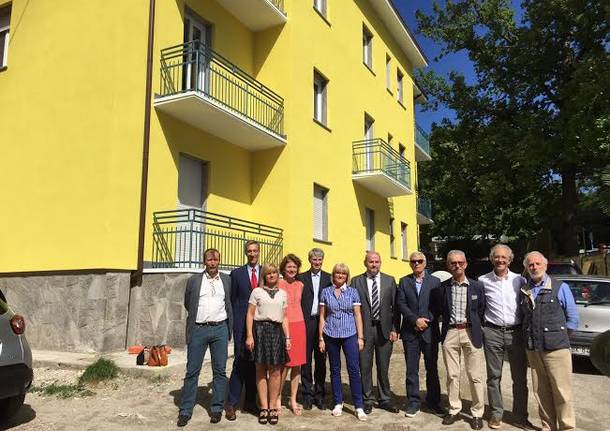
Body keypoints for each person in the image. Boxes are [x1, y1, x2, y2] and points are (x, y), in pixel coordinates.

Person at [520, 251, 579, 431]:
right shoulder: (525, 289)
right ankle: (548, 427)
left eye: (538, 264)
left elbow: (573, 319)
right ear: (526, 268)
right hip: (534, 349)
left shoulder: (560, 287)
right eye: (530, 265)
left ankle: (567, 427)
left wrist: (559, 338)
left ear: (545, 266)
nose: (534, 267)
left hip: (557, 349)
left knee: (562, 391)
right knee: (541, 391)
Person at [479, 245, 535, 430]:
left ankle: (520, 417)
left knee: (519, 379)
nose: (500, 260)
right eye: (497, 257)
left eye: (504, 257)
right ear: (491, 259)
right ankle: (496, 414)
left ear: (510, 260)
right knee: (493, 377)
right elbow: (479, 306)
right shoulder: (483, 281)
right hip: (492, 332)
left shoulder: (519, 280)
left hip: (515, 333)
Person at [177, 248, 233, 427]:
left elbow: (228, 302)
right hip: (198, 329)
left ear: (219, 261)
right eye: (209, 260)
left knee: (220, 371)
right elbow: (188, 303)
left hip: (220, 329)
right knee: (192, 371)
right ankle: (185, 410)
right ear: (204, 262)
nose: (212, 263)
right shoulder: (194, 281)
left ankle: (216, 408)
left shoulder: (227, 280)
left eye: (215, 259)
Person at [436, 250, 486, 430]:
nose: (457, 265)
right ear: (448, 265)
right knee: (452, 375)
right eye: (453, 263)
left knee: (475, 375)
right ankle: (454, 409)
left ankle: (477, 413)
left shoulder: (477, 286)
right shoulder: (443, 287)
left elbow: (481, 309)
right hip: (450, 333)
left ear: (465, 264)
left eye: (460, 262)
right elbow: (438, 309)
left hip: (471, 332)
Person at [396, 251, 443, 418]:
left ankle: (433, 402)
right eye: (413, 261)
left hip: (430, 332)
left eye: (419, 261)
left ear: (425, 263)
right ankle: (413, 402)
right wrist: (415, 320)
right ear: (410, 263)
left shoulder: (435, 281)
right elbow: (401, 304)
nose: (416, 263)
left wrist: (426, 320)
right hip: (410, 332)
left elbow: (438, 305)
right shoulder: (404, 281)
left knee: (432, 368)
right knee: (411, 369)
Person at [351, 251, 400, 414]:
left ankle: (385, 399)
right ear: (365, 263)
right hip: (364, 329)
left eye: (376, 262)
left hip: (384, 329)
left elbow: (396, 307)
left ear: (380, 263)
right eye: (371, 262)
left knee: (383, 366)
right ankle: (367, 399)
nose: (374, 264)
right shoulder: (356, 281)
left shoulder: (389, 280)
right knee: (365, 366)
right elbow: (352, 308)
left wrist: (395, 328)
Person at [319, 263, 367, 421]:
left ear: (347, 276)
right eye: (338, 273)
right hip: (331, 334)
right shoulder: (326, 292)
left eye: (343, 273)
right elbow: (322, 316)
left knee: (353, 369)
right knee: (334, 369)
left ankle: (359, 406)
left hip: (350, 334)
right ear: (333, 275)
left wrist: (360, 337)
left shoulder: (353, 292)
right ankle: (338, 402)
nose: (340, 275)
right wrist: (321, 338)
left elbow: (358, 315)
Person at [245, 264, 291, 425]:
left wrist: (288, 337)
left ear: (278, 275)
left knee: (276, 371)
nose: (271, 275)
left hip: (277, 332)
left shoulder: (283, 294)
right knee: (260, 370)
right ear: (264, 276)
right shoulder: (256, 292)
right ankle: (263, 407)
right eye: (268, 273)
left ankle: (272, 407)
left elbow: (284, 317)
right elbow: (250, 314)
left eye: (274, 273)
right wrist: (249, 335)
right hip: (260, 331)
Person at [226, 240, 260, 420]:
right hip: (241, 324)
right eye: (249, 251)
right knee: (239, 363)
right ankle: (231, 403)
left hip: (261, 326)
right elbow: (232, 300)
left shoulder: (266, 272)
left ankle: (250, 402)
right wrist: (234, 325)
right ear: (246, 253)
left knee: (255, 364)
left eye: (255, 251)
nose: (252, 254)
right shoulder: (236, 274)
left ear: (259, 252)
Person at [297, 248, 331, 410]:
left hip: (323, 322)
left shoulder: (329, 278)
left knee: (321, 359)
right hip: (306, 321)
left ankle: (319, 394)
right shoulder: (301, 278)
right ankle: (306, 395)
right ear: (309, 260)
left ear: (322, 260)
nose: (317, 262)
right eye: (314, 259)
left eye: (319, 259)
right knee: (305, 360)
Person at [278, 254, 307, 415]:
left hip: (299, 325)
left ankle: (293, 399)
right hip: (285, 326)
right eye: (289, 266)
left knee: (297, 365)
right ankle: (277, 397)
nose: (292, 269)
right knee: (285, 365)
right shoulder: (278, 283)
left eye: (294, 267)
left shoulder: (300, 285)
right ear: (283, 268)